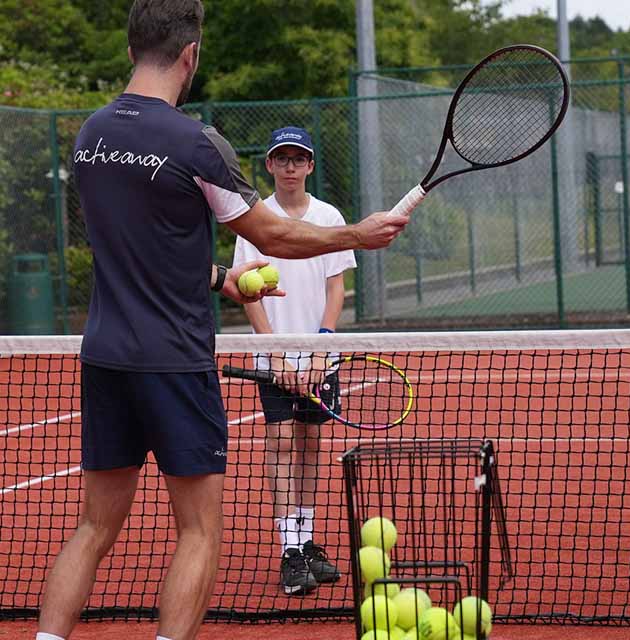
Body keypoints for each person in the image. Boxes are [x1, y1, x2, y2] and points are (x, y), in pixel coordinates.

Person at [36, 2, 409, 640]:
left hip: (103, 357)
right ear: (191, 55)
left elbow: (139, 246)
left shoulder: (89, 137)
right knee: (199, 530)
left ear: (131, 51)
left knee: (93, 528)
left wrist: (217, 278)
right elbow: (273, 236)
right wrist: (357, 233)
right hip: (176, 361)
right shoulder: (196, 143)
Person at [233, 126, 355, 595]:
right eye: (280, 158)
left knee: (310, 444)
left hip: (320, 357)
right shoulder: (256, 220)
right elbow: (248, 293)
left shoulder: (328, 217)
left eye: (297, 158)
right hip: (274, 356)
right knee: (281, 441)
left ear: (309, 165)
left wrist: (322, 348)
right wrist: (278, 355)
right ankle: (289, 548)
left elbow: (335, 288)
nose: (289, 166)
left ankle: (306, 541)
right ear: (269, 165)